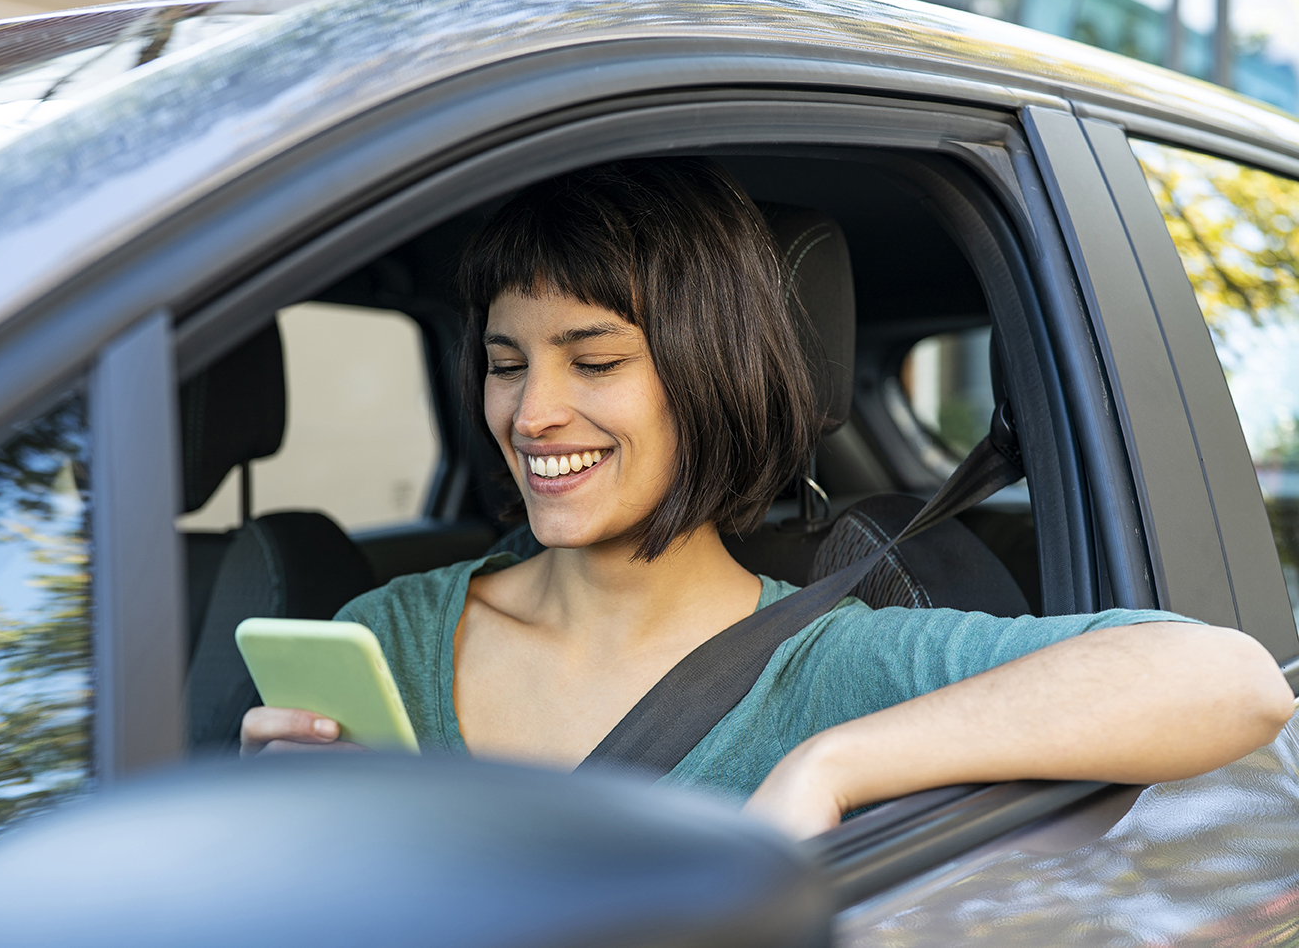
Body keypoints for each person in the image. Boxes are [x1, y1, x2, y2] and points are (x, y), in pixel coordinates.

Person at [240, 158, 1294, 839]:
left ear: (710, 376)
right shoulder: (385, 633)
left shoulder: (831, 665)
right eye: (507, 362)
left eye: (594, 360)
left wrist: (828, 762)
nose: (531, 412)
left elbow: (1231, 679)